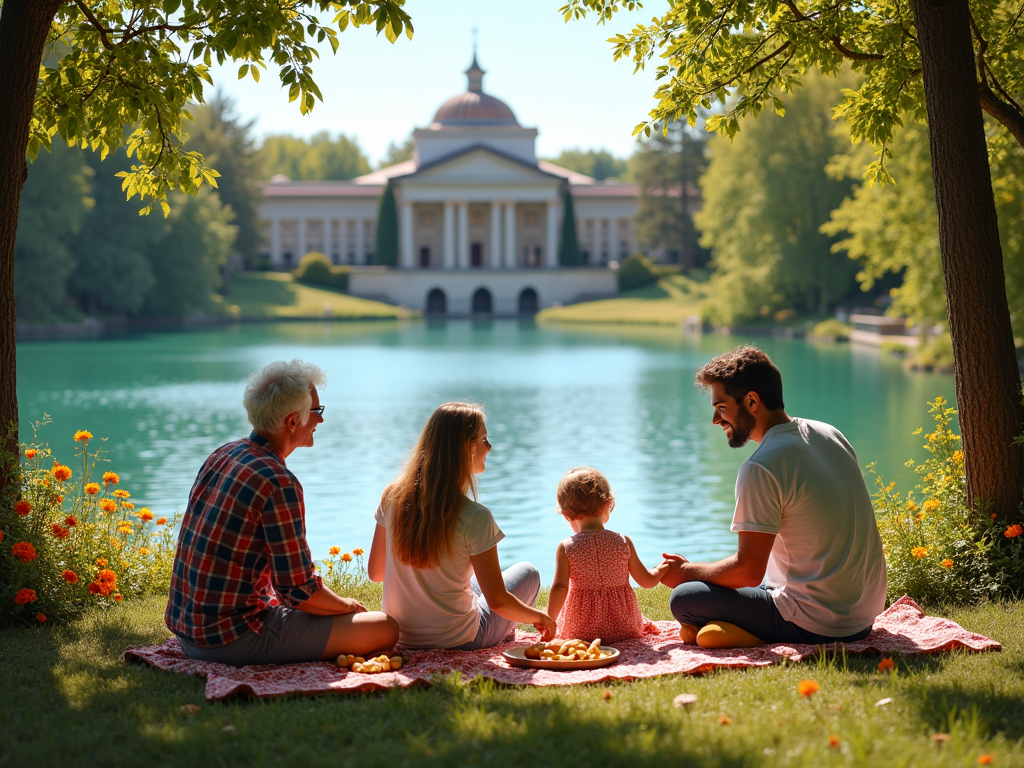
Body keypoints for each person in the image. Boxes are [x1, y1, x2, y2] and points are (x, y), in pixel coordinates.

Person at [165, 360, 399, 666]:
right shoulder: (278, 482)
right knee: (385, 627)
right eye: (318, 412)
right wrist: (347, 608)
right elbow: (297, 592)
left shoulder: (223, 453)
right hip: (229, 639)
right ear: (292, 422)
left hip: (189, 630)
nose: (321, 421)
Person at [662, 346, 886, 648]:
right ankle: (728, 627)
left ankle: (739, 632)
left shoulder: (762, 466)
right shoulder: (830, 433)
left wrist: (687, 572)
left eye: (722, 407)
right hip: (864, 617)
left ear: (752, 401)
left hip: (817, 624)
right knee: (736, 584)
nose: (716, 419)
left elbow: (748, 571)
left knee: (685, 598)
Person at [367, 402, 556, 649]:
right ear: (467, 449)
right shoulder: (475, 516)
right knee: (529, 572)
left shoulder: (392, 496)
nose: (490, 447)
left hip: (401, 637)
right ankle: (501, 630)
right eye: (485, 440)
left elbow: (376, 573)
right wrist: (539, 617)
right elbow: (498, 601)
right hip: (460, 639)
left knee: (473, 582)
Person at [546, 467, 664, 642]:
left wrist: (549, 621)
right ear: (607, 505)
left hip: (581, 632)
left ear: (566, 515)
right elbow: (646, 581)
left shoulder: (567, 547)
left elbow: (559, 588)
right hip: (625, 628)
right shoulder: (623, 542)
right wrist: (661, 569)